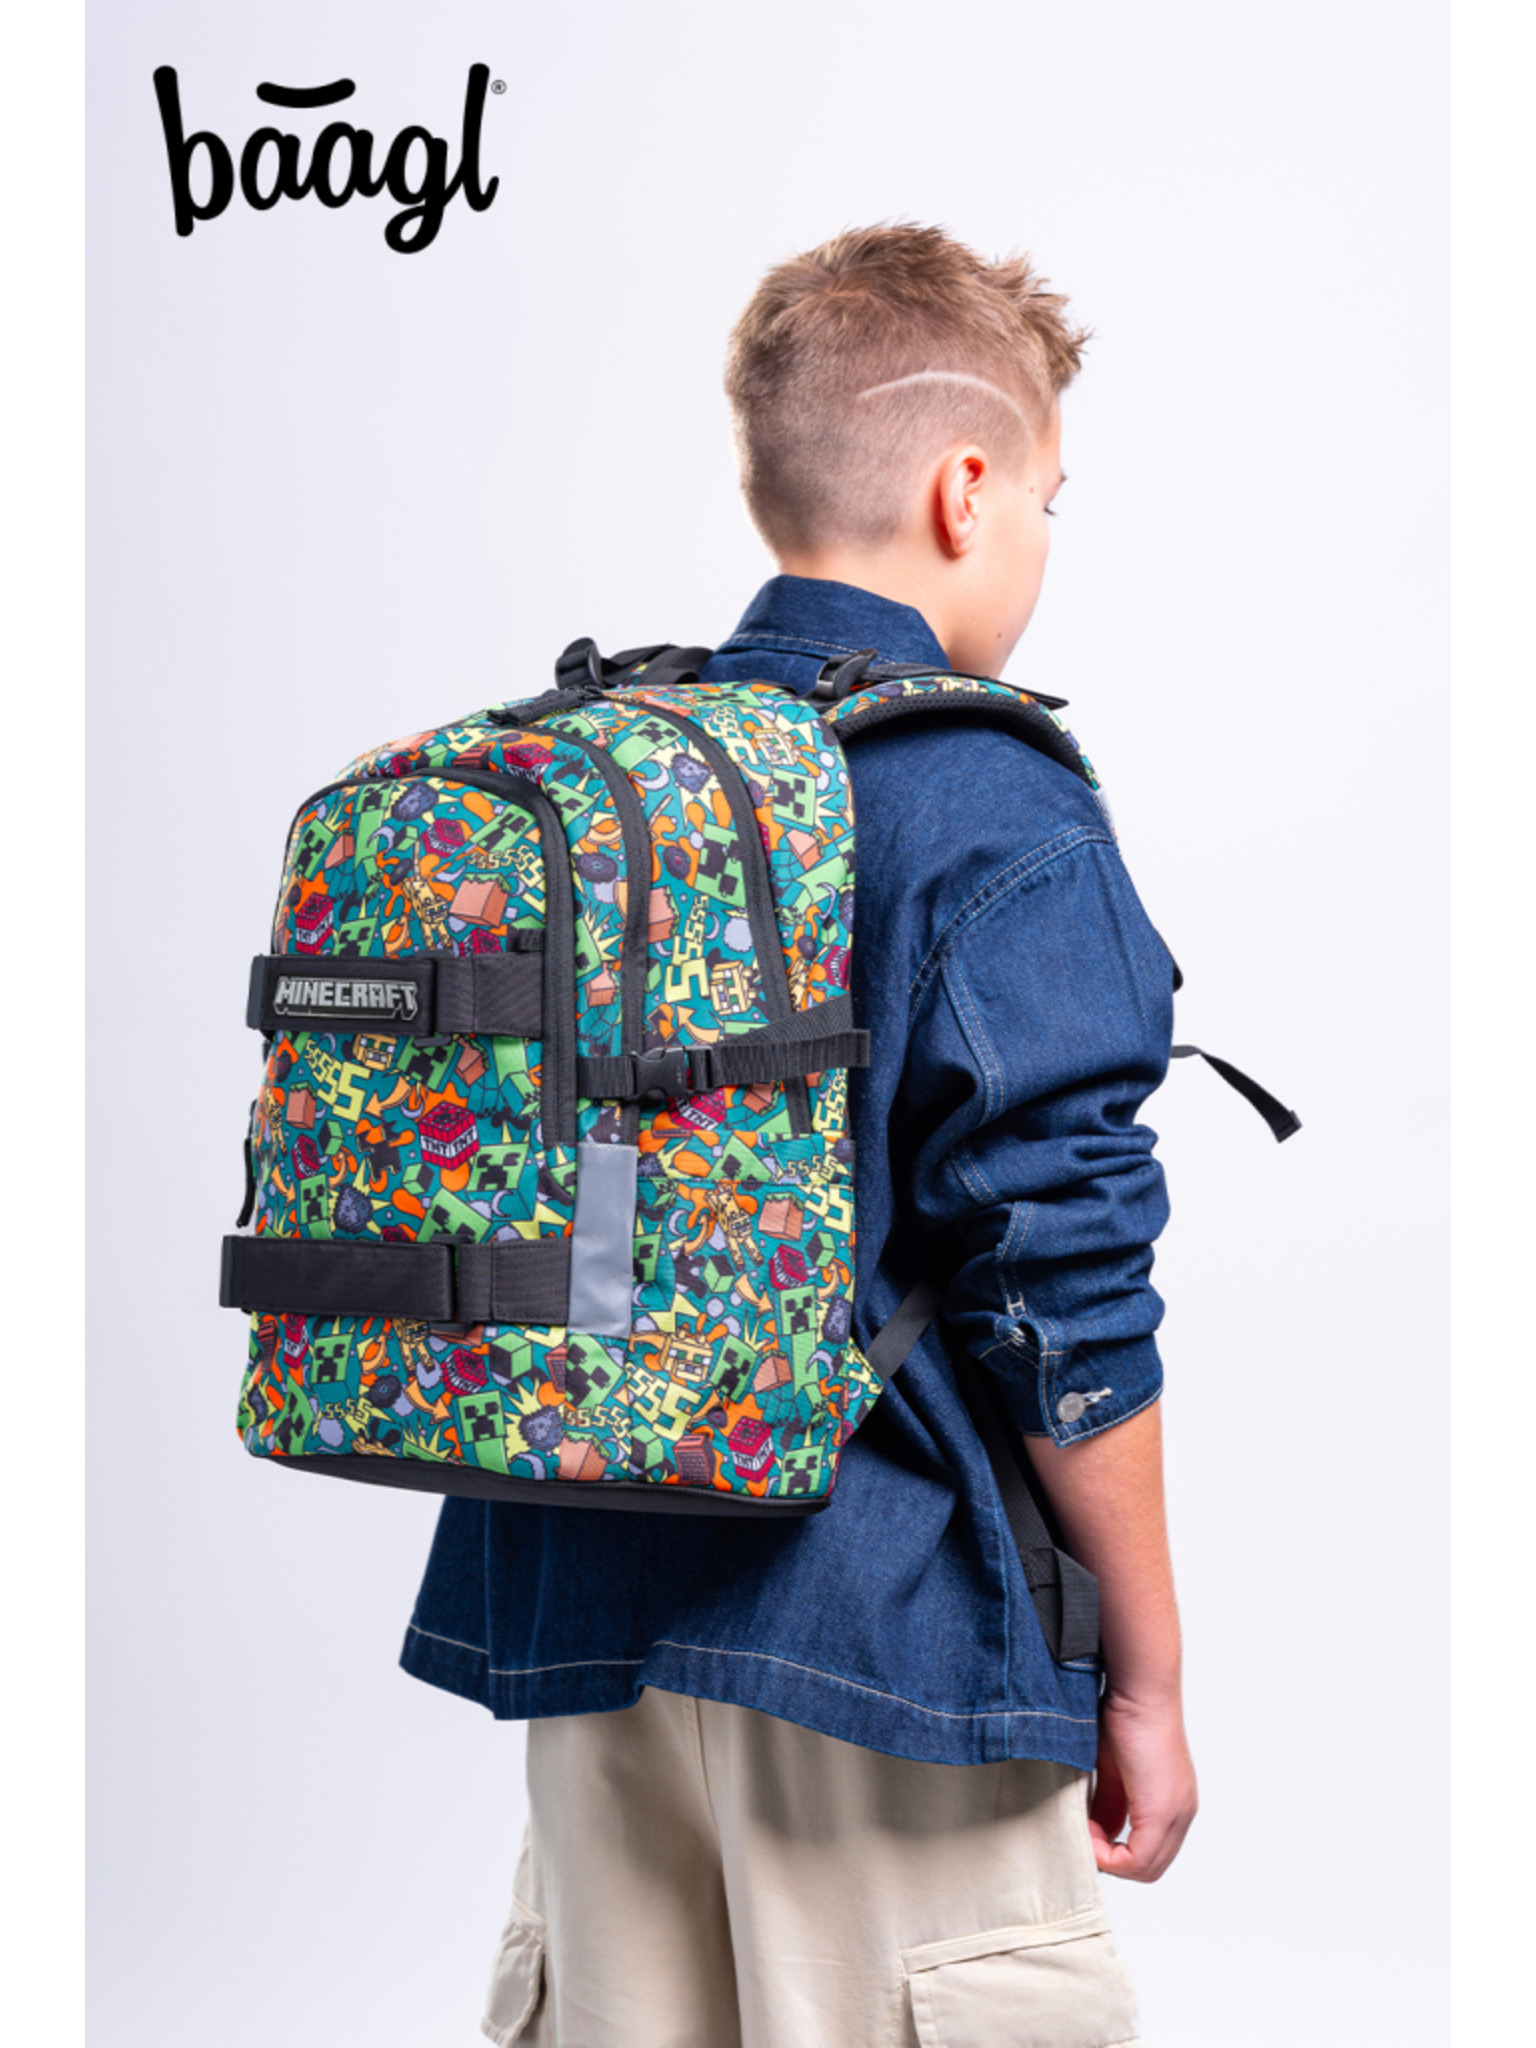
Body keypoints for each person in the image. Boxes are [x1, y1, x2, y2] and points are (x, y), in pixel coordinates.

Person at [403, 223, 1195, 2048]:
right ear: (965, 489)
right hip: (888, 1635)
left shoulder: (607, 769)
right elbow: (1063, 1286)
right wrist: (1145, 1674)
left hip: (582, 1595)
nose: (1043, 542)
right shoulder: (988, 801)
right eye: (1050, 502)